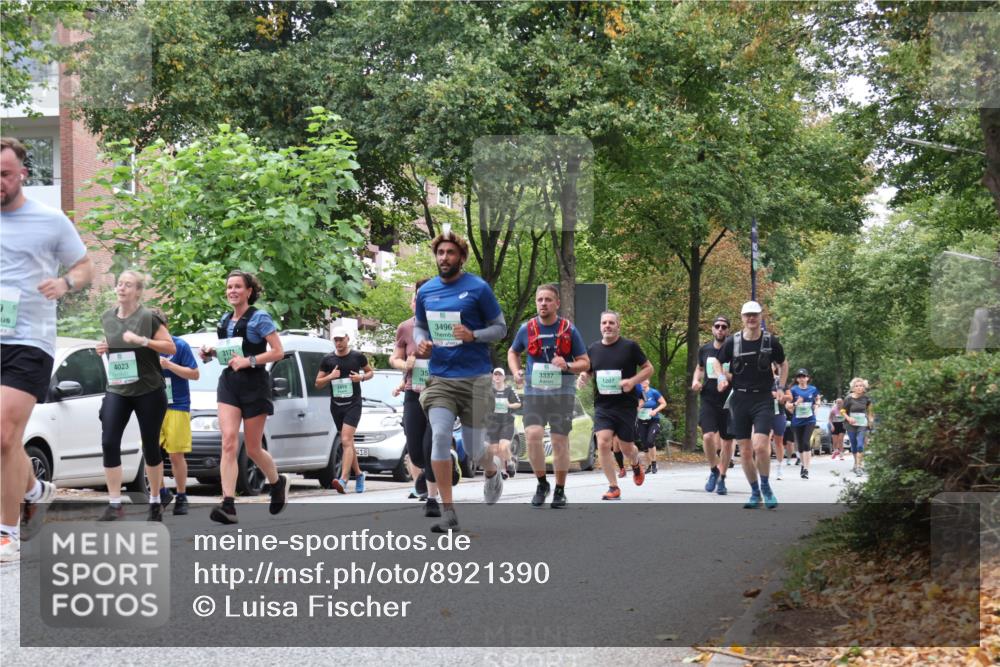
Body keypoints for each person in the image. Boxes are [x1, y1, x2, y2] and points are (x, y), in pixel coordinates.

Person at [1, 137, 94, 561]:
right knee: (7, 441)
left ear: (23, 173)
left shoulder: (50, 220)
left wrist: (66, 283)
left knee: (2, 434)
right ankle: (36, 490)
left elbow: (85, 266)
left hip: (29, 339)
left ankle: (6, 531)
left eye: (4, 174)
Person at [414, 231, 506, 532]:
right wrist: (422, 343)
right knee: (440, 435)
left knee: (476, 449)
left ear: (461, 257)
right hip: (441, 379)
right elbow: (419, 327)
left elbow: (500, 328)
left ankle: (491, 470)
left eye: (450, 252)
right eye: (440, 252)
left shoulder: (478, 288)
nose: (444, 258)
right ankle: (448, 511)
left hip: (476, 379)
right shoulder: (427, 291)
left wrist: (473, 335)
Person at [199, 270, 288, 524]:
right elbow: (230, 355)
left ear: (249, 291)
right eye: (229, 287)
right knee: (228, 441)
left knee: (252, 448)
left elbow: (278, 352)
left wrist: (249, 361)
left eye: (238, 286)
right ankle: (228, 504)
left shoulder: (260, 318)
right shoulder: (225, 320)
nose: (232, 291)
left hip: (255, 385)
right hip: (229, 384)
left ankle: (276, 482)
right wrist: (211, 353)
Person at [96, 271, 176, 521]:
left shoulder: (148, 317)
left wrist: (144, 341)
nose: (121, 288)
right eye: (119, 284)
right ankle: (114, 504)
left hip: (149, 390)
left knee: (151, 445)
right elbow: (116, 342)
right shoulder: (107, 317)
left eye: (128, 285)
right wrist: (105, 346)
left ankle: (155, 500)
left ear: (138, 291)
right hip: (118, 389)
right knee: (109, 442)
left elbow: (170, 347)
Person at [507, 283, 589, 508]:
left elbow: (585, 362)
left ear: (557, 303)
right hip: (535, 392)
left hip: (562, 393)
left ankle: (560, 490)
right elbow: (513, 352)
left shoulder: (569, 330)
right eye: (539, 300)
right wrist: (516, 372)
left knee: (559, 441)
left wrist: (567, 364)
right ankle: (542, 483)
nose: (543, 304)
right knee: (532, 435)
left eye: (548, 300)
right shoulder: (527, 328)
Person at [717, 301, 788, 509]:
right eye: (747, 315)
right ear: (742, 317)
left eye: (754, 315)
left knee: (760, 446)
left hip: (763, 398)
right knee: (745, 451)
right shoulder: (733, 342)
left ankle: (766, 487)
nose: (751, 319)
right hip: (739, 399)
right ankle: (755, 492)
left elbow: (783, 363)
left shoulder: (770, 341)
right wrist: (722, 376)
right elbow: (716, 361)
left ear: (760, 317)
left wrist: (781, 387)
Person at [578, 311, 653, 500]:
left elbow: (649, 368)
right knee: (603, 442)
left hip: (625, 406)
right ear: (600, 326)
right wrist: (583, 378)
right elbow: (588, 371)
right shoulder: (593, 349)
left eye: (611, 322)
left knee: (628, 448)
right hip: (603, 406)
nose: (607, 326)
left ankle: (635, 463)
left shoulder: (630, 347)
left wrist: (632, 381)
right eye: (604, 322)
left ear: (618, 325)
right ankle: (613, 487)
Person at [389, 279, 439, 512]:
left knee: (431, 447)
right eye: (418, 295)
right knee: (416, 450)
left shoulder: (443, 324)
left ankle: (432, 498)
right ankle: (433, 468)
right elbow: (394, 358)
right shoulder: (405, 327)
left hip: (440, 393)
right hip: (413, 391)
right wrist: (403, 364)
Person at [316, 327, 374, 493]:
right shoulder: (328, 359)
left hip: (353, 404)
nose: (339, 342)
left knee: (346, 440)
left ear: (347, 338)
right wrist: (330, 377)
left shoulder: (357, 357)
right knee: (348, 442)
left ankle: (344, 479)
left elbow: (370, 372)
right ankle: (359, 474)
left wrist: (361, 377)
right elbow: (318, 383)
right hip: (336, 405)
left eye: (341, 339)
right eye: (336, 340)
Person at [154, 309, 200, 516]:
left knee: (175, 454)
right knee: (151, 453)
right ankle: (161, 492)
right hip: (151, 404)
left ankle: (181, 496)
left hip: (176, 405)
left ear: (165, 326)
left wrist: (169, 365)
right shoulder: (144, 347)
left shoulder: (179, 346)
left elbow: (195, 374)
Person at [691, 315, 735, 495]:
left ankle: (723, 477)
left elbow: (739, 374)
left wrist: (726, 376)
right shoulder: (705, 349)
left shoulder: (733, 351)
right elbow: (700, 368)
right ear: (712, 329)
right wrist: (695, 381)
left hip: (729, 400)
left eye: (724, 327)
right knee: (708, 436)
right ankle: (713, 469)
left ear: (728, 330)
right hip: (708, 397)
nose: (720, 329)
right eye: (717, 326)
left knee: (727, 440)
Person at [485, 369, 521, 480]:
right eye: (495, 374)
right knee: (495, 450)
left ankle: (510, 462)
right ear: (492, 377)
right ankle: (501, 472)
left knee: (503, 446)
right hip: (493, 424)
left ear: (504, 377)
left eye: (500, 375)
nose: (497, 376)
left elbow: (518, 404)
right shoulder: (489, 391)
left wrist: (509, 405)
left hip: (507, 423)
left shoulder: (509, 390)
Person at [787, 368, 820, 479]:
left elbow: (817, 400)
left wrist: (816, 406)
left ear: (807, 378)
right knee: (800, 445)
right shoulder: (793, 390)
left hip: (810, 420)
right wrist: (796, 403)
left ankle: (806, 469)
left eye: (803, 376)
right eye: (799, 377)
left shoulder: (813, 389)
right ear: (797, 379)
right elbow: (788, 406)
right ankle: (802, 464)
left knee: (806, 442)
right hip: (797, 421)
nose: (802, 379)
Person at [843, 378, 874, 476]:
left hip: (862, 424)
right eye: (857, 386)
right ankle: (856, 463)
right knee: (854, 444)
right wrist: (848, 418)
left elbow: (870, 411)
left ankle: (859, 466)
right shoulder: (849, 398)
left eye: (861, 386)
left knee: (860, 444)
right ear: (853, 388)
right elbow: (843, 411)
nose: (859, 387)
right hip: (851, 424)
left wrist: (870, 420)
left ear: (864, 387)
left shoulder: (867, 399)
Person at [637, 379, 666, 474]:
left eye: (645, 381)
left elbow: (664, 403)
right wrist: (638, 408)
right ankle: (649, 465)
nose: (643, 382)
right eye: (641, 381)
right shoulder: (637, 393)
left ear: (648, 381)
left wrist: (655, 411)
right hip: (641, 421)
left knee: (650, 441)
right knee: (645, 444)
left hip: (653, 421)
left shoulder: (654, 392)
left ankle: (654, 463)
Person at [771, 372, 792, 480]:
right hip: (762, 413)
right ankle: (762, 466)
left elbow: (790, 397)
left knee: (779, 441)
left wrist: (778, 396)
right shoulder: (757, 377)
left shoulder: (779, 380)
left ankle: (779, 467)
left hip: (778, 413)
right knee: (762, 440)